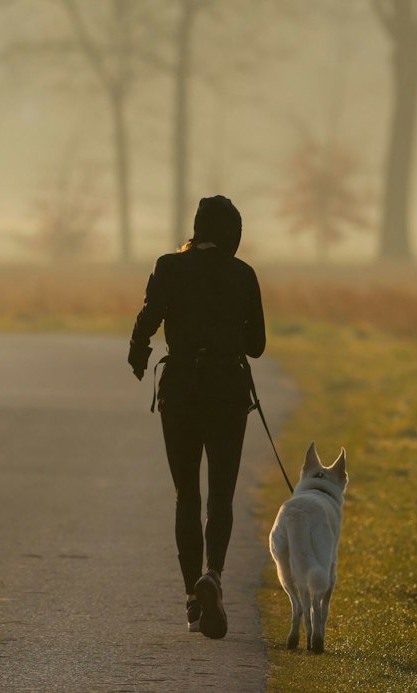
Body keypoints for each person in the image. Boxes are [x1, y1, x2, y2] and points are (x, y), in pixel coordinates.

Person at [127, 195, 265, 640]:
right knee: (220, 494)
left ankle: (191, 599)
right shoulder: (243, 275)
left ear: (197, 228)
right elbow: (257, 344)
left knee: (186, 495)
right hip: (226, 391)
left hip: (182, 389)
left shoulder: (169, 267)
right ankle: (215, 576)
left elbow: (148, 319)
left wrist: (139, 353)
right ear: (233, 235)